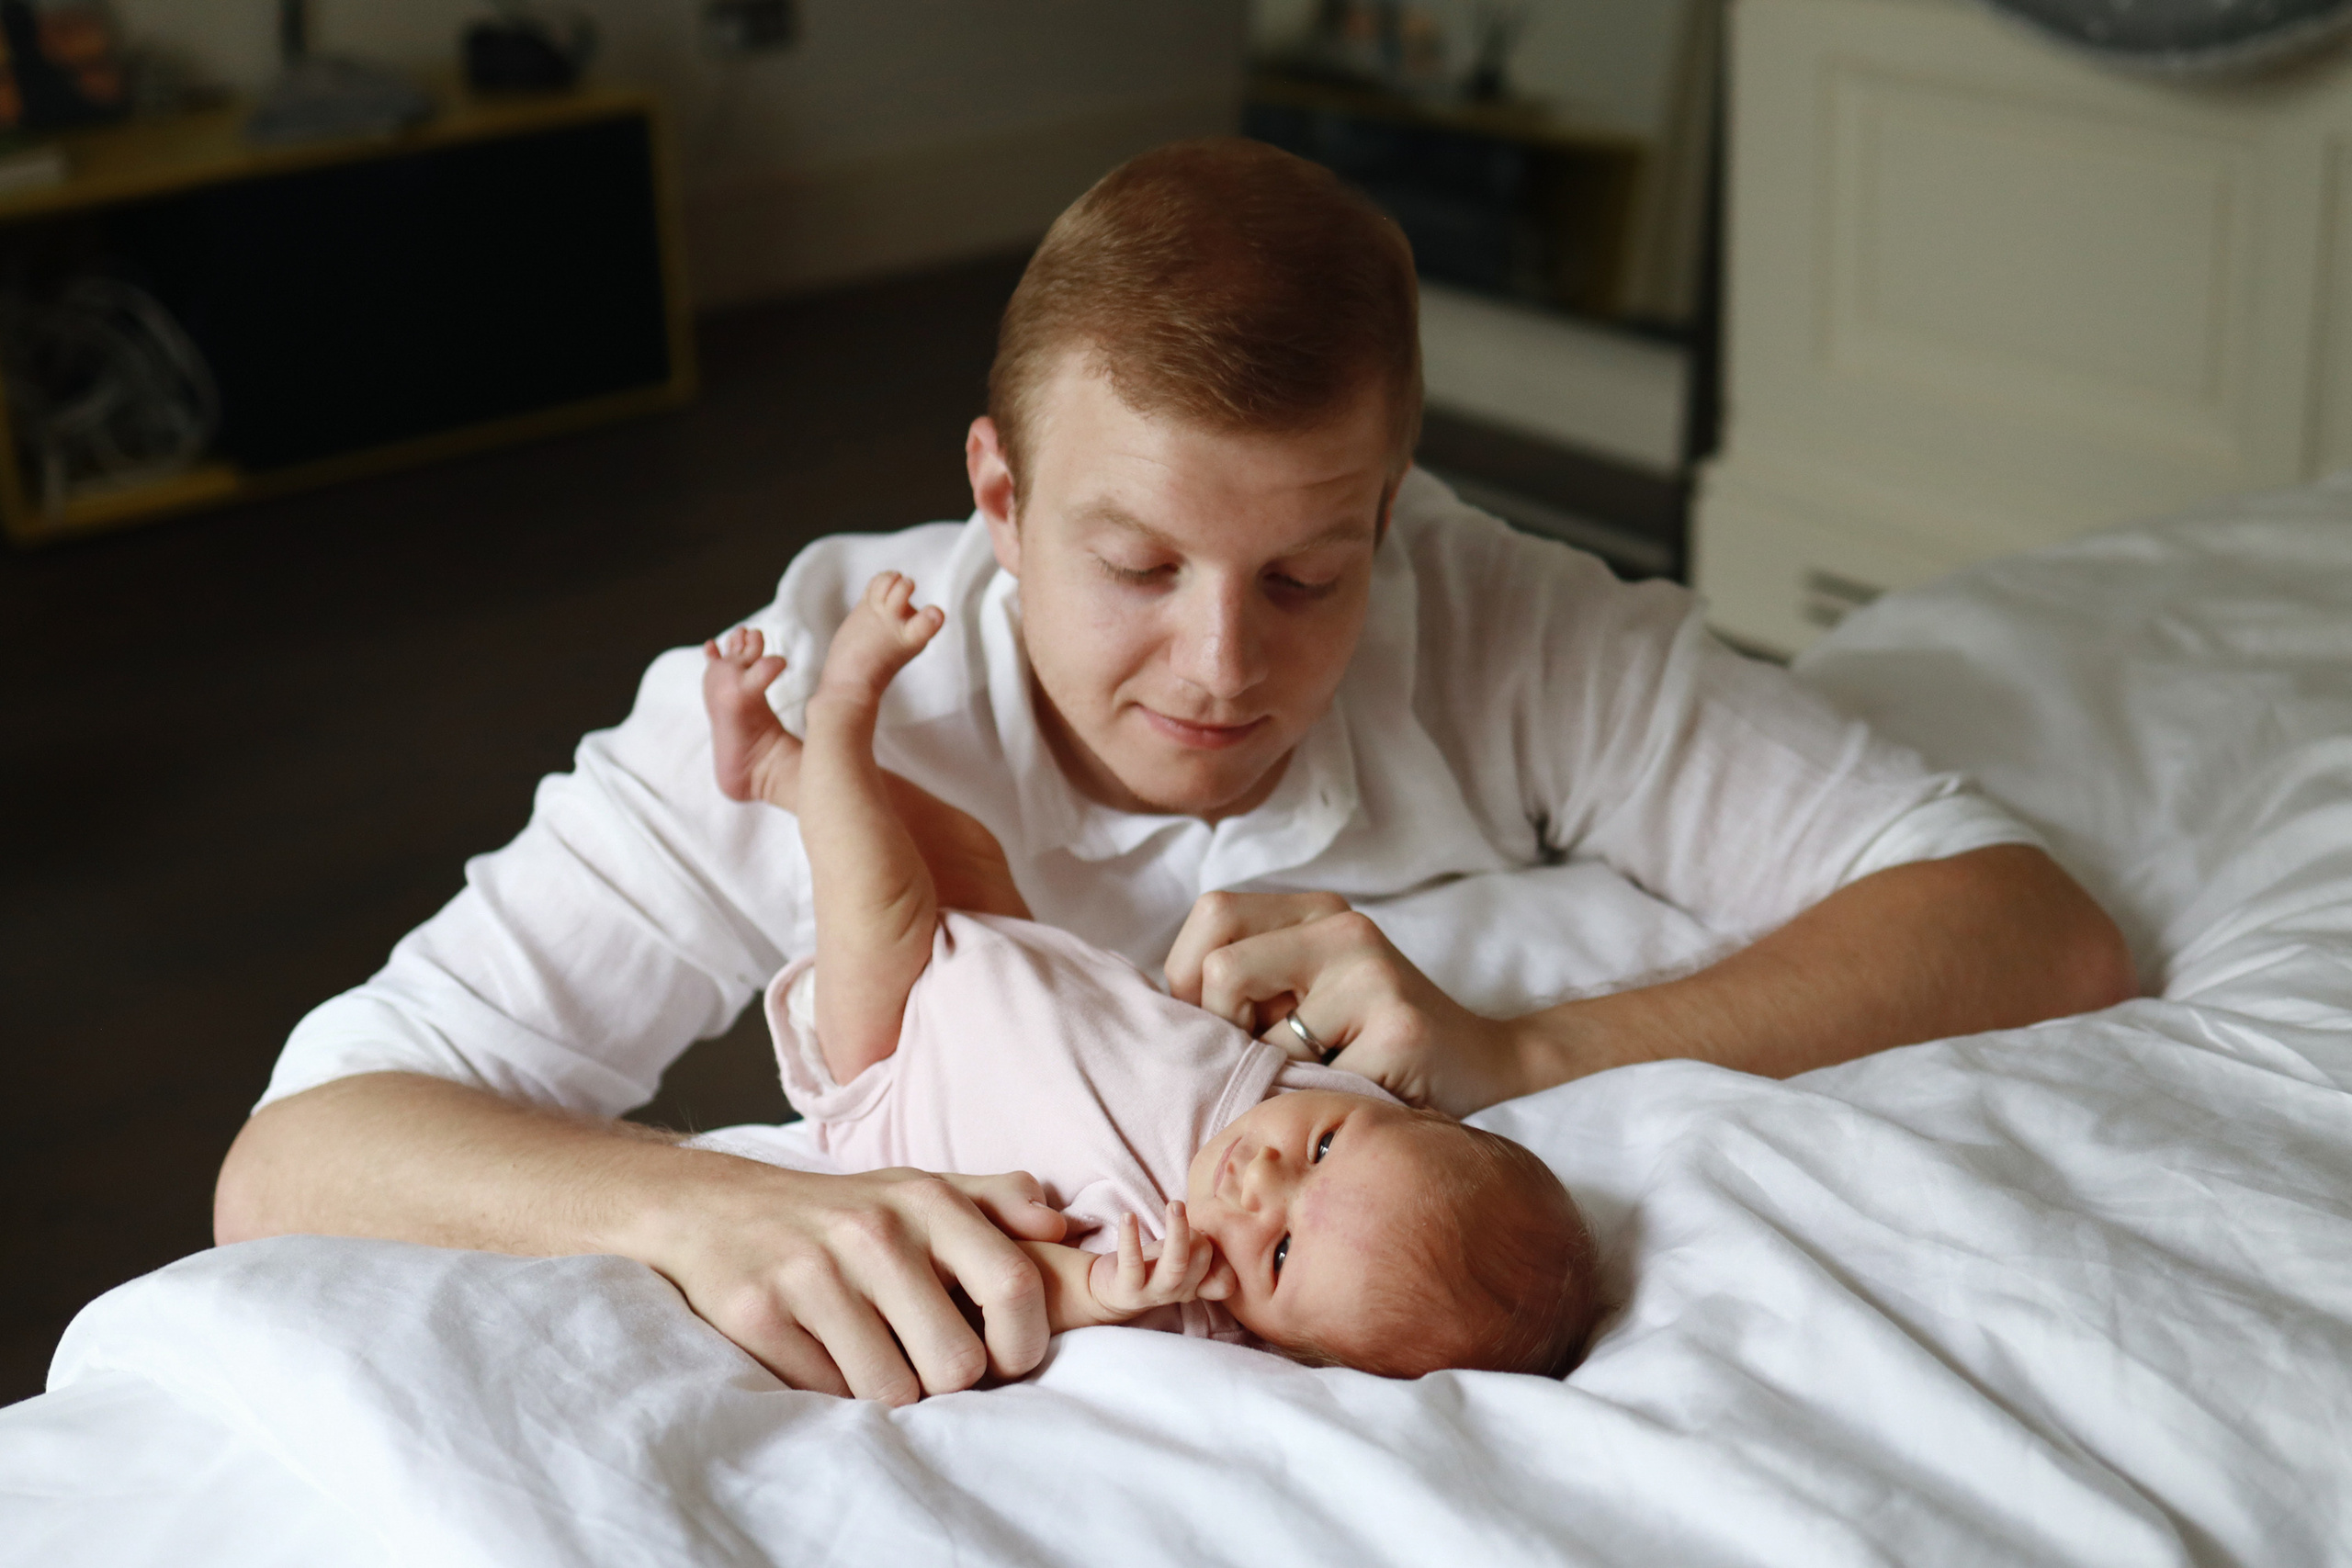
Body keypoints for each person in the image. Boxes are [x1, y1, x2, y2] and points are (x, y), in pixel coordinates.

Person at [213, 138, 2136, 1407]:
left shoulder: (1492, 618)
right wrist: (695, 1210)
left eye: (1308, 572)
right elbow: (296, 1156)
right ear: (996, 492)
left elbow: (2021, 927)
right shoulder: (808, 691)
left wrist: (1521, 1059)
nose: (1222, 668)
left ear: (1393, 512)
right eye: (1134, 564)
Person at [703, 574, 1596, 1378]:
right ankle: (772, 769)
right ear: (1408, 1116)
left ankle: (837, 716)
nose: (1263, 1180)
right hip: (1011, 959)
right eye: (1323, 1149)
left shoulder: (1180, 1284)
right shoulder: (1325, 1084)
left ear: (1288, 1345)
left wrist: (1098, 1289)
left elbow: (1013, 1281)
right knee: (955, 843)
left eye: (1280, 1254)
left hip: (901, 1063)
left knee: (878, 890)